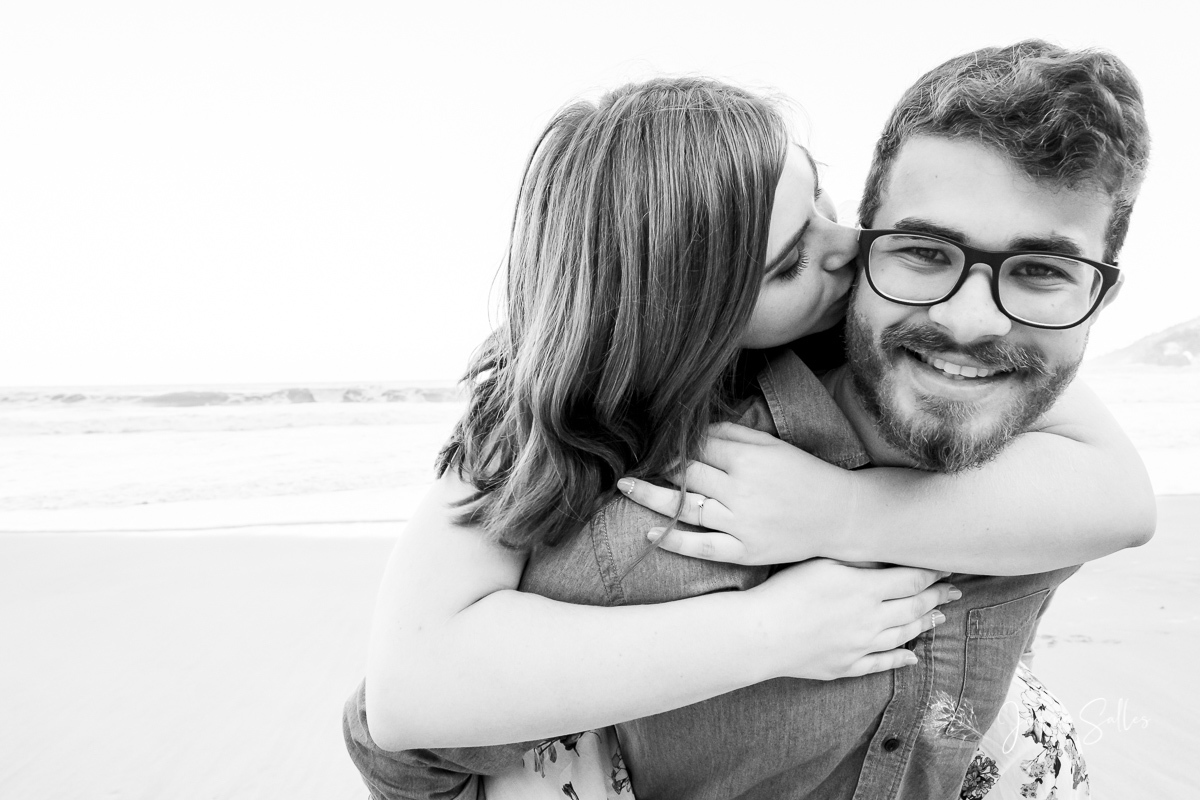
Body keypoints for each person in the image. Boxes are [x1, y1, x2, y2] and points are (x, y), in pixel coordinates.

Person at [345, 41, 1152, 800]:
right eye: (789, 261)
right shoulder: (596, 470)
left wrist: (840, 515)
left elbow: (1122, 499)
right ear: (694, 322)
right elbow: (407, 708)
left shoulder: (944, 350)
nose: (846, 246)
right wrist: (770, 632)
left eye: (822, 202)